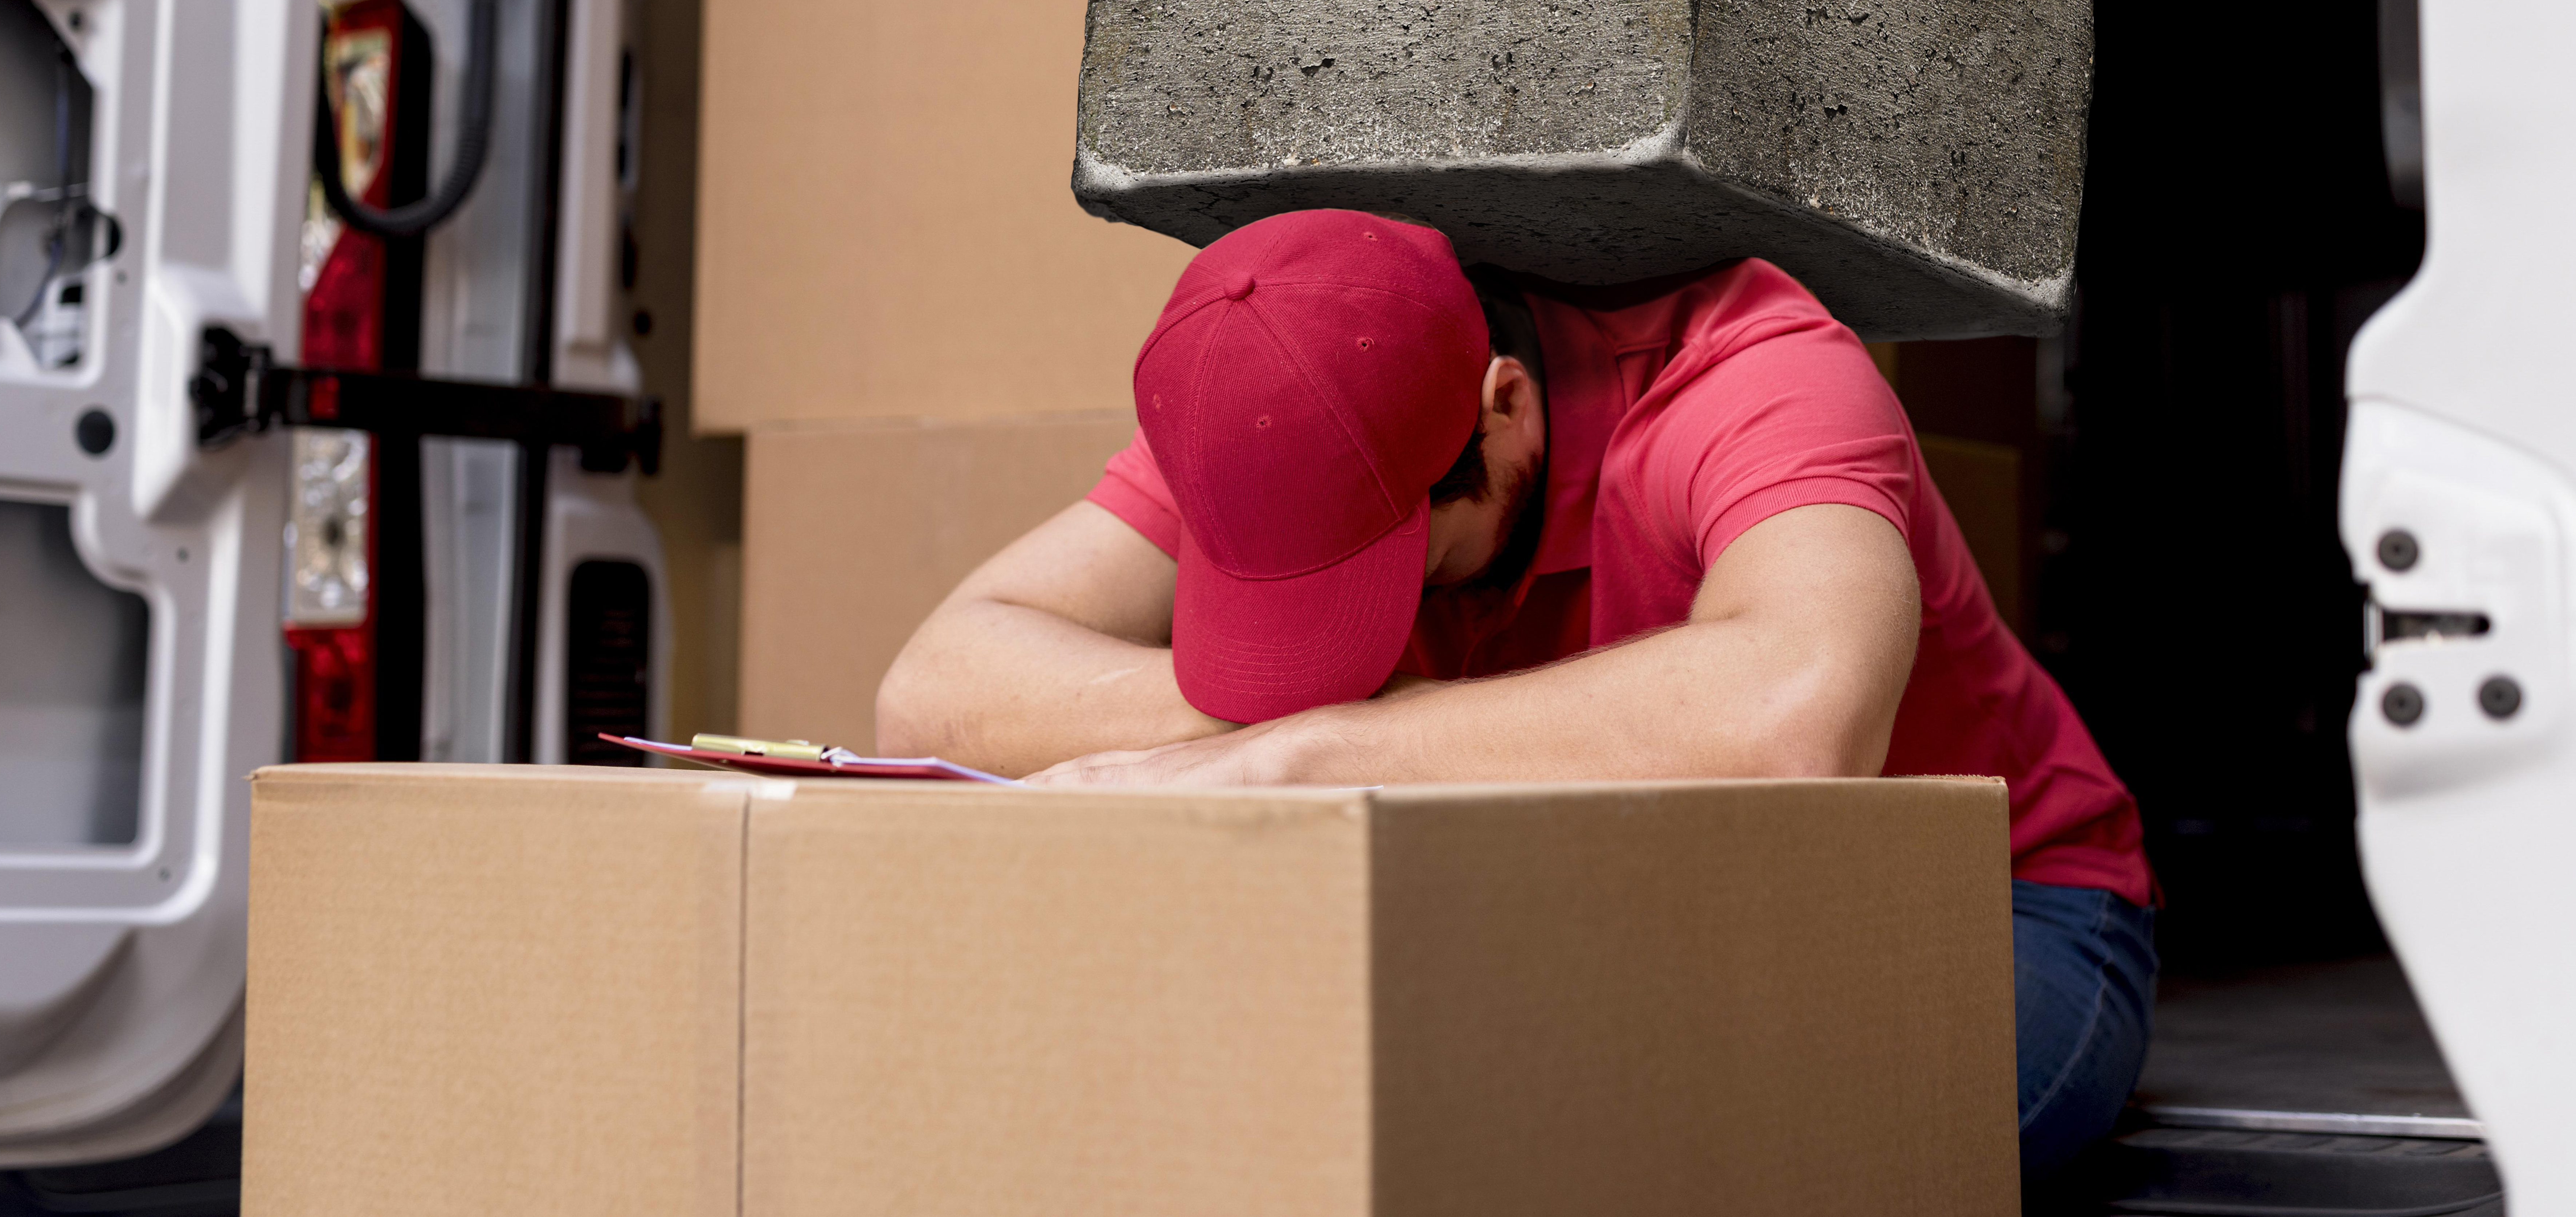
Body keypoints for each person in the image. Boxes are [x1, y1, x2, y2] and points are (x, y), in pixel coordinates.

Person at [877, 207, 2155, 1175]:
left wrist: (1312, 751)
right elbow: (936, 691)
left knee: (1655, 1168)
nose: (1352, 646)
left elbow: (1795, 715)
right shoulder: (1274, 410)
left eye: (1395, 575)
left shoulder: (1756, 378)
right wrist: (1300, 717)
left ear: (1504, 407)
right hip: (1612, 894)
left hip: (1994, 906)